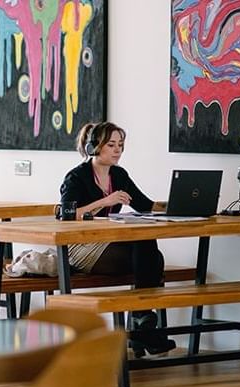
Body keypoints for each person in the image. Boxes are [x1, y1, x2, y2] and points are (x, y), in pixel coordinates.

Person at [59, 121, 175, 357]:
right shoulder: (76, 177)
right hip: (80, 248)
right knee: (153, 258)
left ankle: (142, 321)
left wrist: (176, 204)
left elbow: (145, 205)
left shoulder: (119, 175)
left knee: (150, 249)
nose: (117, 150)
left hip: (108, 244)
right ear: (94, 146)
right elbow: (67, 214)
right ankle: (143, 322)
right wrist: (105, 201)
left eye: (120, 145)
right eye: (111, 145)